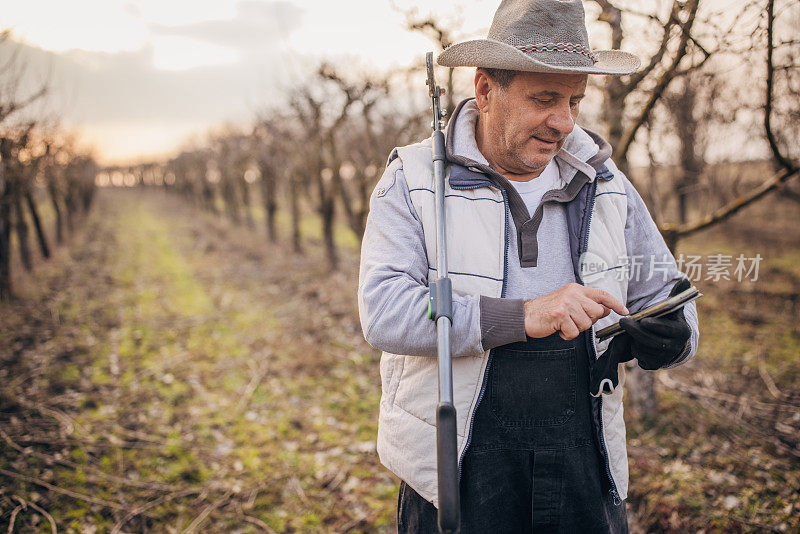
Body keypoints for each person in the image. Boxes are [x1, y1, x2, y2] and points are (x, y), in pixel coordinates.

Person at [357, 0, 700, 531]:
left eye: (574, 102)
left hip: (584, 462)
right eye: (544, 99)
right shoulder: (414, 181)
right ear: (486, 90)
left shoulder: (607, 185)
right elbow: (385, 311)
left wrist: (669, 334)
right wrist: (522, 316)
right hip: (458, 469)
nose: (562, 122)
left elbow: (666, 290)